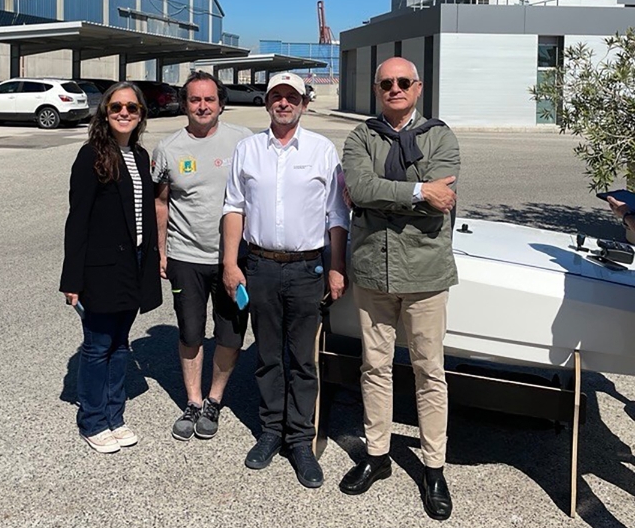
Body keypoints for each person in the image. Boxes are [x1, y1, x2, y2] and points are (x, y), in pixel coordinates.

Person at [339, 57, 460, 521]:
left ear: (418, 87)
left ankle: (434, 468)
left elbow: (440, 201)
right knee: (375, 367)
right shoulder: (361, 137)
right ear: (377, 89)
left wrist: (385, 195)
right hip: (374, 271)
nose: (395, 88)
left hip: (425, 272)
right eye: (386, 82)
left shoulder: (440, 137)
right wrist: (418, 191)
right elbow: (360, 188)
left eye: (403, 81)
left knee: (429, 371)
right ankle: (377, 455)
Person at [222, 72, 350, 488]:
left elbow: (336, 215)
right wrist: (230, 263)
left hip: (306, 269)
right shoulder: (247, 150)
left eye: (291, 97)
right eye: (276, 96)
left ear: (304, 104)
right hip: (260, 265)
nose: (283, 103)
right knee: (267, 356)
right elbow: (234, 207)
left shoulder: (321, 150)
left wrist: (336, 266)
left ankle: (300, 440)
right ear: (267, 103)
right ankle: (271, 431)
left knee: (302, 359)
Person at [60, 82, 162, 454]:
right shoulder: (91, 155)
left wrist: (154, 258)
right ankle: (93, 420)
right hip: (101, 268)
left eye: (131, 108)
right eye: (116, 106)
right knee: (98, 345)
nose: (123, 113)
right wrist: (72, 279)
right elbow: (78, 221)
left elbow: (146, 214)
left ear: (141, 115)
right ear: (105, 112)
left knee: (121, 345)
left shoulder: (140, 155)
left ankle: (115, 416)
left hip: (133, 265)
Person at [152, 71, 252, 441]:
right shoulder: (168, 148)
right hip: (186, 257)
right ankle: (193, 401)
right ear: (184, 104)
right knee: (191, 332)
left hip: (234, 259)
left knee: (230, 334)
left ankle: (214, 399)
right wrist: (161, 251)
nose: (203, 106)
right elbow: (161, 203)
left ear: (221, 103)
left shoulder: (243, 141)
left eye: (209, 99)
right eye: (195, 99)